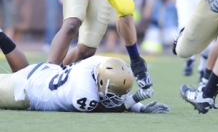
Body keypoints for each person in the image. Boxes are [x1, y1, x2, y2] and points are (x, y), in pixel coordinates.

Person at [0, 27, 169, 113]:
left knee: (20, 70)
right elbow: (109, 109)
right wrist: (137, 99)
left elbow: (118, 95)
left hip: (43, 71)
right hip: (26, 92)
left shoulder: (99, 63)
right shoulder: (84, 92)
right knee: (17, 78)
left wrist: (141, 107)